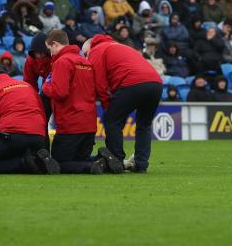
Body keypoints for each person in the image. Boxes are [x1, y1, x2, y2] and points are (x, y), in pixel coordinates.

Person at [84, 32, 167, 173]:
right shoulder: (119, 46)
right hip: (156, 83)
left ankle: (116, 160)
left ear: (90, 47)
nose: (86, 58)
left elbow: (99, 83)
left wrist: (106, 105)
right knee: (144, 125)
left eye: (86, 54)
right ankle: (141, 164)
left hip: (132, 83)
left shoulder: (97, 50)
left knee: (112, 120)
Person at [43, 30, 122, 174]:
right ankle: (101, 160)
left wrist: (45, 86)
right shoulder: (86, 62)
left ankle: (92, 166)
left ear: (54, 44)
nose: (50, 54)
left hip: (71, 124)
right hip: (89, 125)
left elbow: (60, 93)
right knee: (78, 159)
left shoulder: (62, 62)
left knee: (58, 162)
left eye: (49, 49)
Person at [0, 72, 58, 174]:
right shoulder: (27, 86)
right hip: (38, 135)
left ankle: (23, 163)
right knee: (22, 152)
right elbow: (41, 111)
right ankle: (36, 161)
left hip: (12, 135)